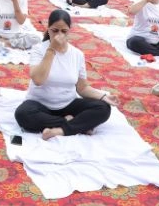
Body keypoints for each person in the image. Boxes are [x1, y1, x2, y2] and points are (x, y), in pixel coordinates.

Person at [14, 9, 117, 140]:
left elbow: (82, 88)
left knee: (103, 108)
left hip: (67, 104)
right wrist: (52, 49)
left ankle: (59, 130)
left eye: (64, 31)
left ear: (69, 31)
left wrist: (103, 96)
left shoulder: (77, 54)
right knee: (23, 114)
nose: (59, 35)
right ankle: (74, 124)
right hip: (40, 104)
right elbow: (38, 80)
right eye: (55, 30)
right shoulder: (39, 50)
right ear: (48, 29)